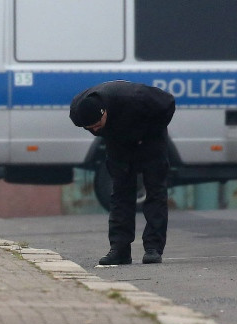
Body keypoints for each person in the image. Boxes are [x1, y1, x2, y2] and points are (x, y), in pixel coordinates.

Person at [69, 80, 175, 265]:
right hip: (118, 141)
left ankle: (153, 248)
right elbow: (96, 125)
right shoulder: (77, 111)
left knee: (155, 190)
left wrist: (147, 134)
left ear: (105, 112)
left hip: (149, 138)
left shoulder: (134, 98)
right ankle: (119, 249)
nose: (94, 130)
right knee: (120, 192)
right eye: (90, 129)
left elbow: (168, 104)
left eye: (97, 125)